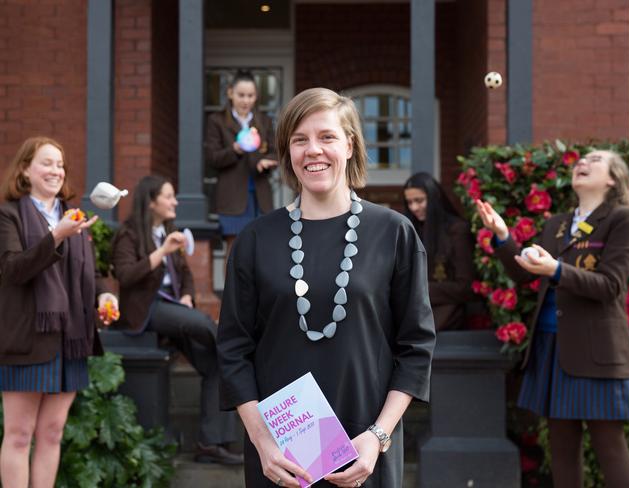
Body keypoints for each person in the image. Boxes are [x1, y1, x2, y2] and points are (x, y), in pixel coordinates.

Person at [216, 87, 436, 488]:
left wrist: (378, 437)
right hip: (280, 458)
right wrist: (262, 441)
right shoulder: (255, 240)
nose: (313, 150)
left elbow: (416, 347)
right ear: (287, 153)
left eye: (327, 137)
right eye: (299, 140)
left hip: (367, 450)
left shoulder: (393, 233)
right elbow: (232, 349)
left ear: (349, 145)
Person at [476, 150, 629, 488]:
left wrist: (555, 269)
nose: (582, 162)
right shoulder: (558, 223)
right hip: (552, 347)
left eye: (594, 160)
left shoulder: (624, 219)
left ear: (613, 178)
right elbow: (524, 275)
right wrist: (505, 237)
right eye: (580, 160)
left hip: (599, 351)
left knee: (609, 445)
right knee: (562, 447)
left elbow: (611, 286)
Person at [0, 136, 119, 487]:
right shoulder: (8, 215)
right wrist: (56, 236)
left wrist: (104, 297)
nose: (56, 170)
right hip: (27, 340)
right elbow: (13, 270)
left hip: (70, 340)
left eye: (60, 164)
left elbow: (90, 275)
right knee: (20, 435)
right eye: (46, 163)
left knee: (52, 434)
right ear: (25, 169)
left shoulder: (73, 215)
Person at [110, 175, 242, 465]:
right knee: (209, 329)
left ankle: (209, 444)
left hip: (174, 309)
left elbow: (185, 275)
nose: (175, 202)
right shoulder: (129, 234)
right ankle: (240, 349)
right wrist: (162, 251)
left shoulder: (168, 230)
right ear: (151, 201)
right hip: (147, 309)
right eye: (169, 196)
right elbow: (126, 276)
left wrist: (186, 297)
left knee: (217, 365)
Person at [205, 69, 279, 268]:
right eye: (241, 95)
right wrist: (235, 149)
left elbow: (275, 151)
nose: (246, 101)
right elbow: (212, 158)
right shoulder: (217, 121)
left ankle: (258, 297)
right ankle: (232, 296)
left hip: (260, 194)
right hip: (232, 196)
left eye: (250, 96)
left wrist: (268, 161)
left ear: (256, 96)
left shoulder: (263, 120)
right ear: (230, 93)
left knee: (262, 249)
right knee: (234, 249)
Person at [403, 172, 475, 330]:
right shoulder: (411, 230)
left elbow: (466, 287)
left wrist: (418, 289)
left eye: (419, 200)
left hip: (447, 316)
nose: (414, 207)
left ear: (434, 198)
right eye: (409, 202)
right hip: (416, 311)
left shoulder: (457, 230)